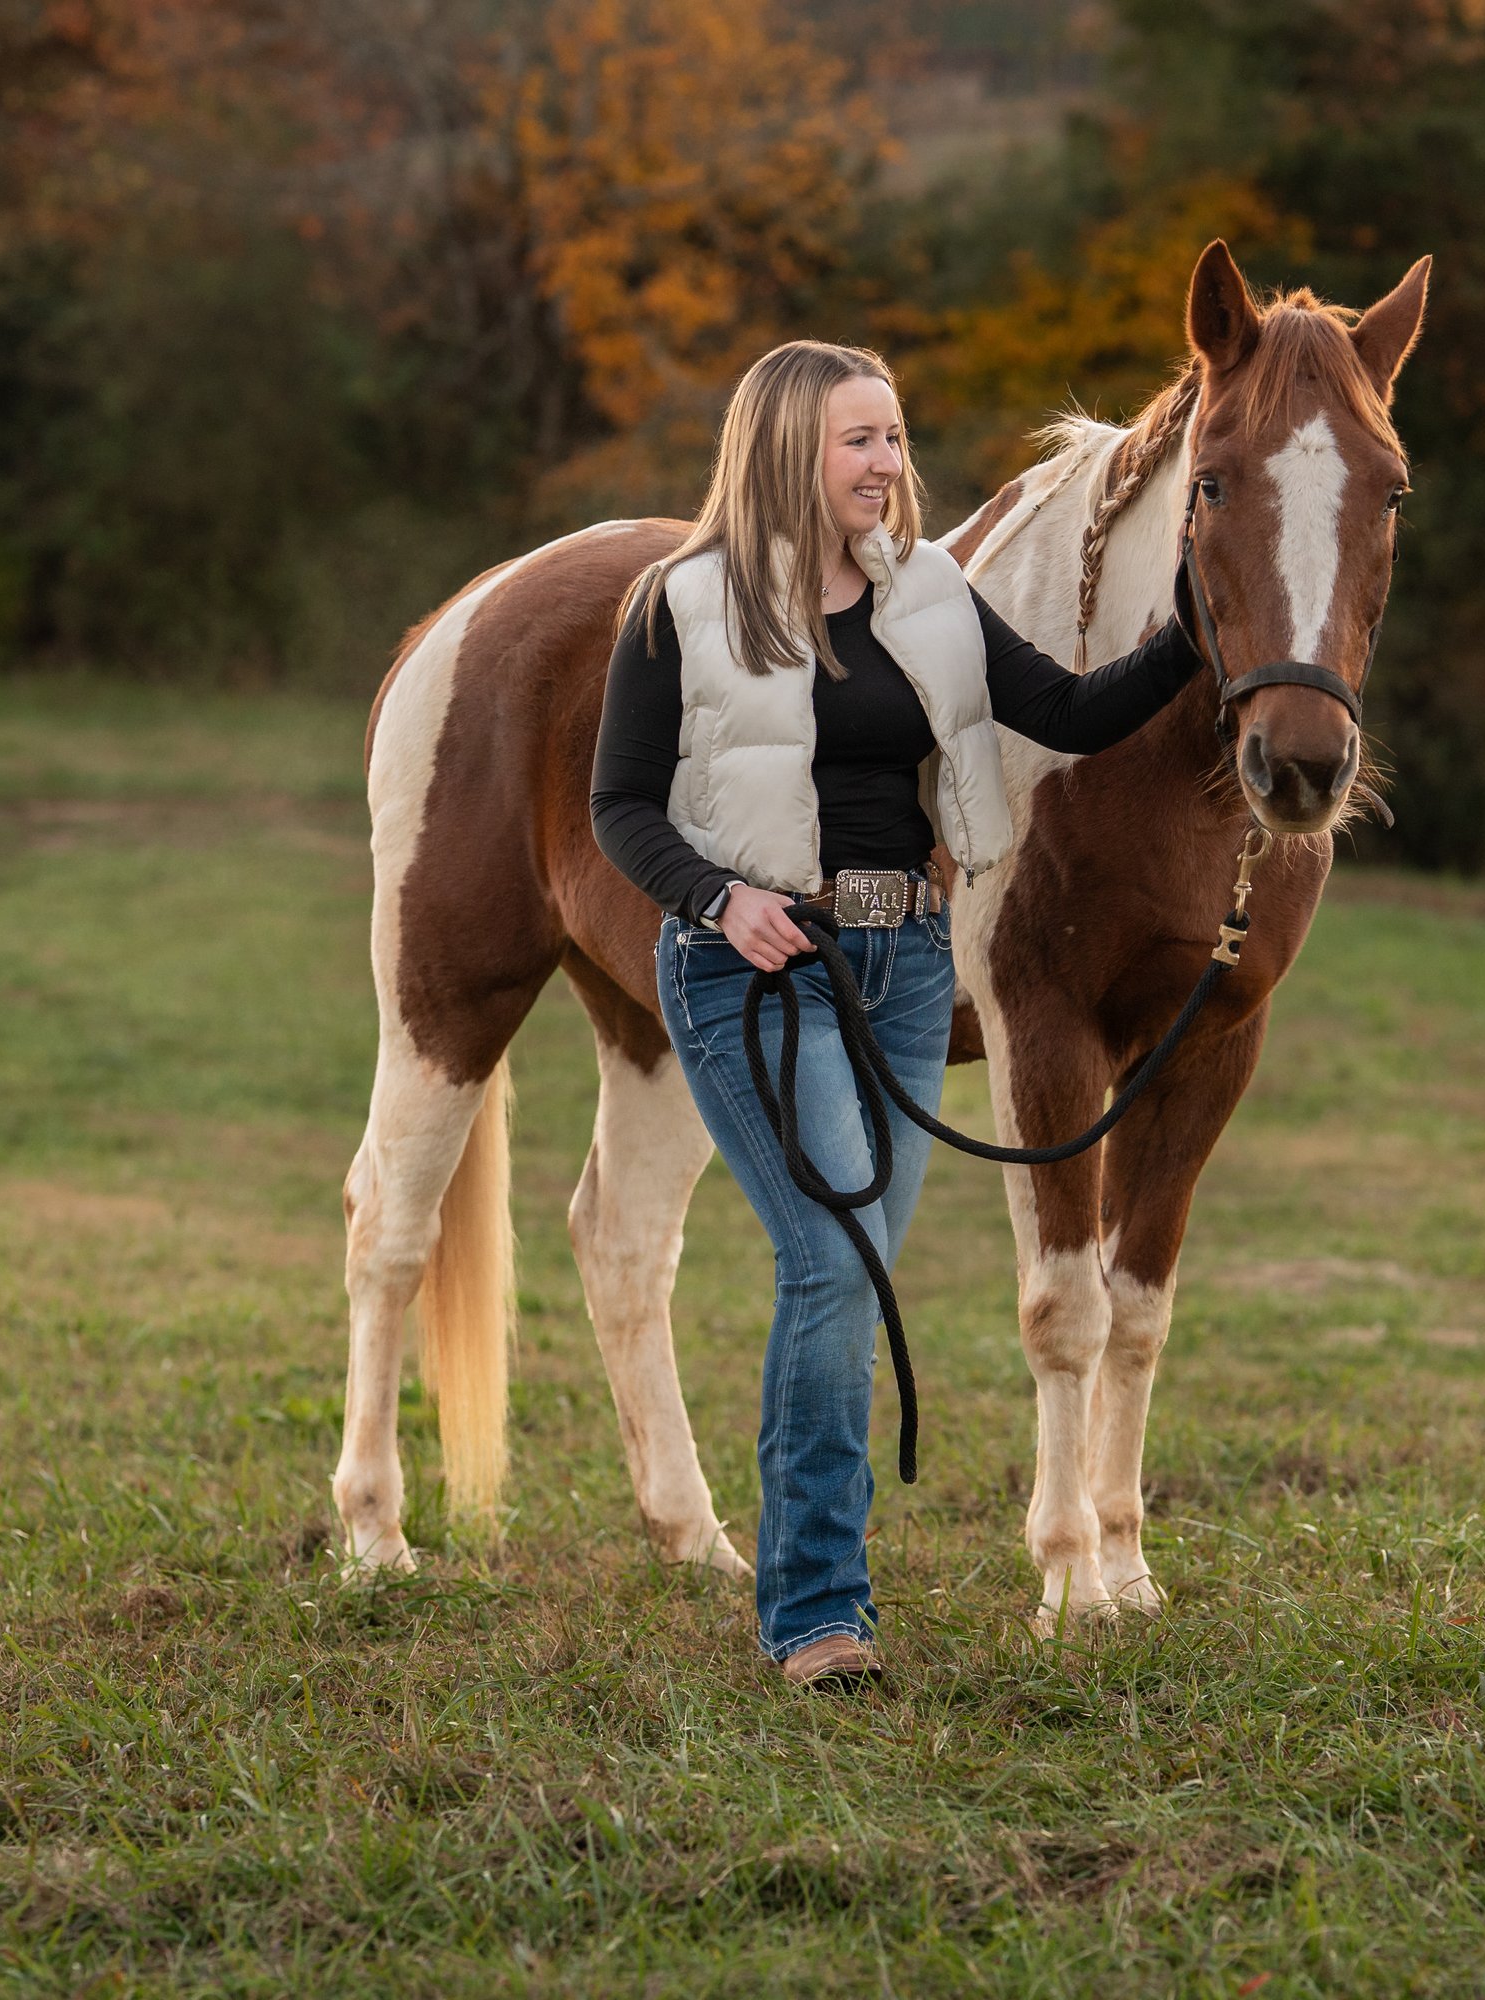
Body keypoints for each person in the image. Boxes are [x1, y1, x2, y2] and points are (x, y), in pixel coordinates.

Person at [590, 340, 1202, 1687]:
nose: (888, 464)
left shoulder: (933, 593)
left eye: (894, 436)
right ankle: (818, 1614)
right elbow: (621, 806)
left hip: (908, 969)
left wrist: (1196, 629)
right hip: (756, 970)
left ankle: (821, 1583)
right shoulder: (679, 604)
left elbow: (1069, 708)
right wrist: (714, 901)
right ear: (783, 454)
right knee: (832, 1268)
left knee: (850, 1275)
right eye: (859, 440)